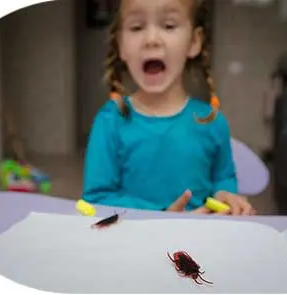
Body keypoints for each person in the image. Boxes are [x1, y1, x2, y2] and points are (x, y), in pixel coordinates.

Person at [82, 0, 256, 215]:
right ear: (120, 46)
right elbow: (97, 198)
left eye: (169, 26)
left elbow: (223, 177)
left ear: (194, 41)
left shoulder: (212, 120)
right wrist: (161, 215)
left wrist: (224, 195)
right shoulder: (110, 119)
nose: (151, 40)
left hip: (199, 240)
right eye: (137, 27)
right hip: (134, 242)